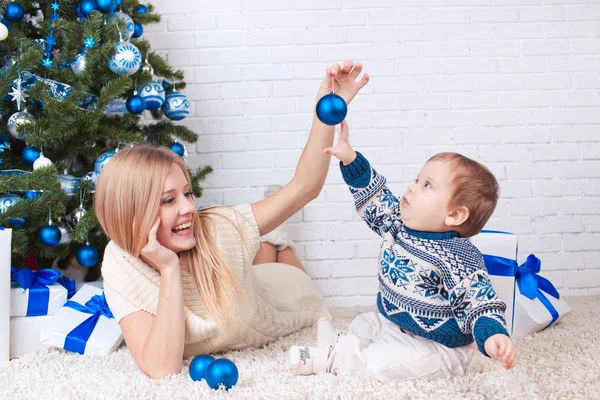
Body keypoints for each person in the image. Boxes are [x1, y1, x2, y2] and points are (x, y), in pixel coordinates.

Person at [94, 60, 370, 380]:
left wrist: (326, 110)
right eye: (169, 200)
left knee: (282, 258)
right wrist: (169, 269)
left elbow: (305, 187)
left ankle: (278, 239)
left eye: (188, 193)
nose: (188, 208)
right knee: (254, 253)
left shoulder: (216, 228)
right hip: (244, 278)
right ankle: (271, 237)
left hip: (283, 294)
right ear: (131, 213)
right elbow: (159, 367)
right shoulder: (120, 259)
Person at [288, 121, 518, 381]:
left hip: (437, 345)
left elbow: (479, 300)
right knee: (364, 323)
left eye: (427, 185)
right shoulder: (397, 223)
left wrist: (492, 335)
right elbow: (374, 196)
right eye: (417, 180)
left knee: (382, 365)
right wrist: (351, 159)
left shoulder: (458, 256)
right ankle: (343, 342)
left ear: (454, 214)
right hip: (395, 324)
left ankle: (330, 358)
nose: (412, 187)